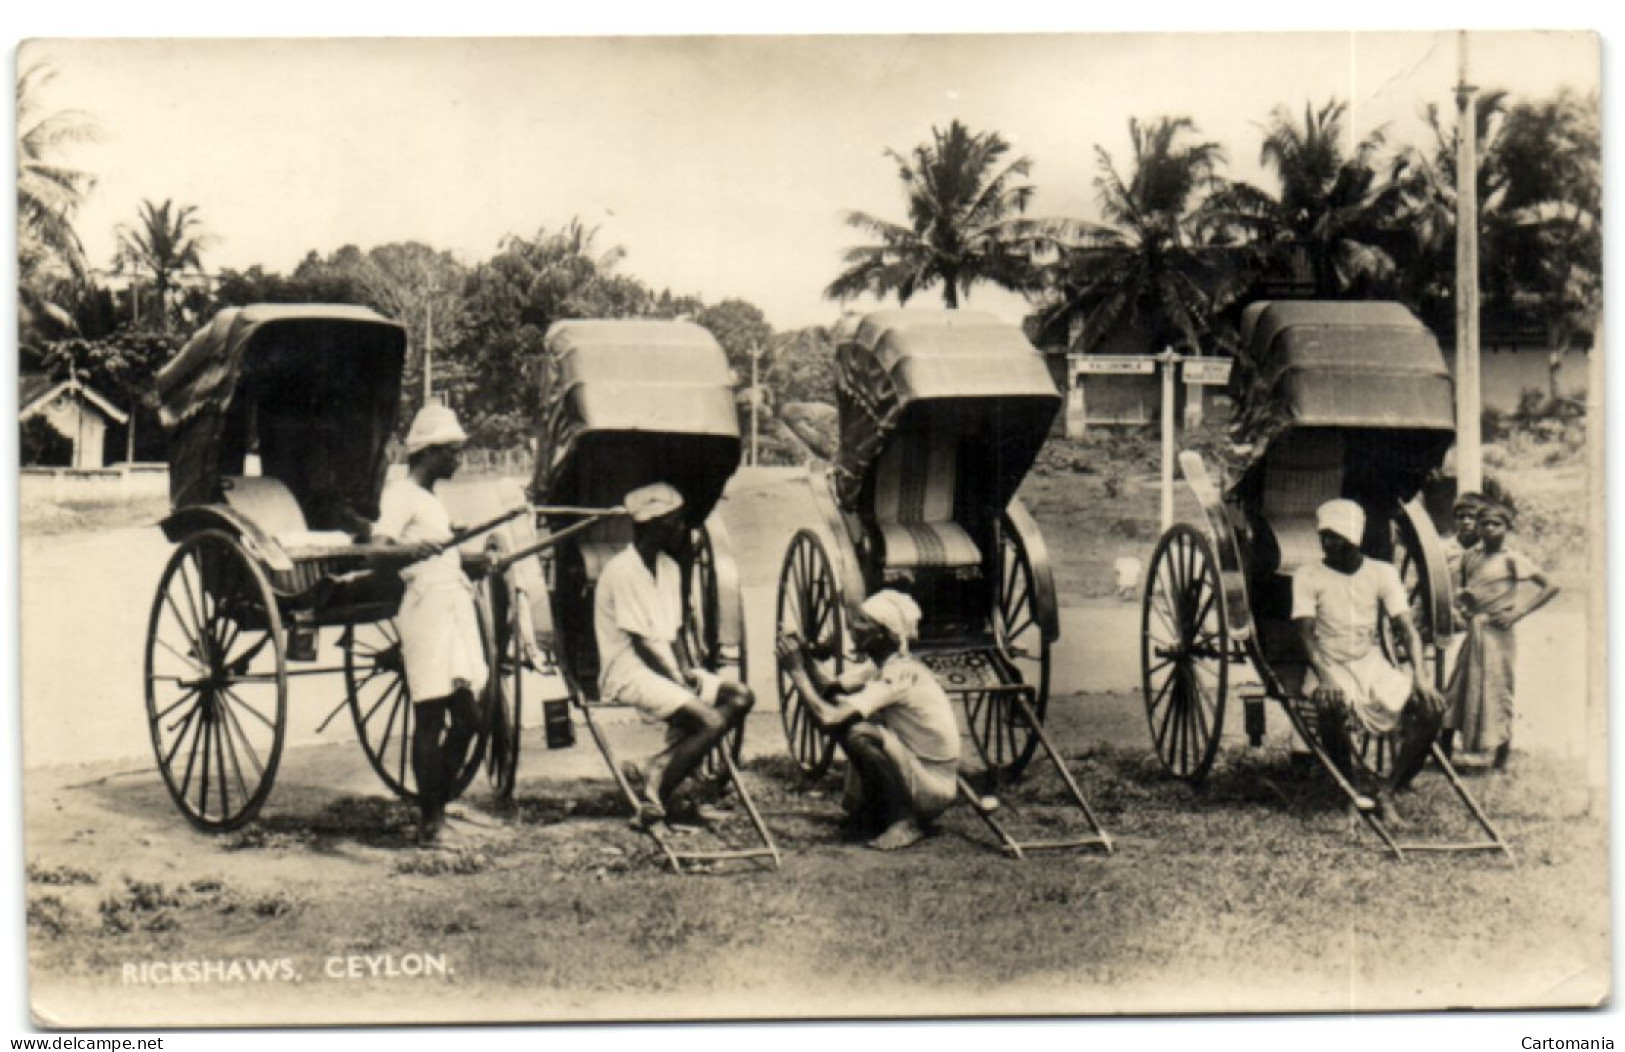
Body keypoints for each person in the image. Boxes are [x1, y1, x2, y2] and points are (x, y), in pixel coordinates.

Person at [595, 483, 754, 827]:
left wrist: (687, 670)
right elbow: (643, 645)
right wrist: (678, 680)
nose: (682, 528)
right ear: (652, 524)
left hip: (663, 668)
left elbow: (676, 630)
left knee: (740, 697)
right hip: (629, 672)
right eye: (674, 521)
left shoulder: (668, 567)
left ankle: (658, 764)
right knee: (710, 721)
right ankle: (657, 793)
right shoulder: (622, 571)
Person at [368, 404, 487, 846]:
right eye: (453, 452)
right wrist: (408, 553)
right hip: (426, 609)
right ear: (431, 452)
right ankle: (430, 820)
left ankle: (435, 802)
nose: (458, 460)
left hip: (452, 605)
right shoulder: (402, 496)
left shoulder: (430, 499)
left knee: (470, 717)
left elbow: (438, 546)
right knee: (430, 716)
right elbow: (377, 550)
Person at [1294, 499, 1445, 825]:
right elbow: (1306, 636)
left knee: (1431, 708)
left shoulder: (1381, 572)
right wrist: (1325, 678)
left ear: (1354, 538)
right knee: (1331, 703)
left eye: (1336, 537)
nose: (1328, 544)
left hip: (1369, 660)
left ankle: (1388, 789)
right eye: (1324, 537)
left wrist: (1420, 676)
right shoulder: (1307, 575)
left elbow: (1406, 628)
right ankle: (1349, 788)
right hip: (1328, 660)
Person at [776, 590, 960, 851]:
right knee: (849, 722)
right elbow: (830, 688)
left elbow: (828, 719)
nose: (853, 627)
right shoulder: (881, 665)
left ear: (884, 633)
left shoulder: (900, 674)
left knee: (857, 733)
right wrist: (805, 655)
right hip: (918, 772)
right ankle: (870, 814)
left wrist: (796, 672)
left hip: (931, 788)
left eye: (863, 622)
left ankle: (903, 821)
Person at [1444, 500, 1559, 769]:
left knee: (1499, 688)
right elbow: (1462, 590)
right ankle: (1445, 753)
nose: (1489, 528)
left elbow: (1551, 586)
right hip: (1476, 630)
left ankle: (1500, 759)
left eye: (1496, 524)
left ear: (1507, 528)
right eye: (1484, 523)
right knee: (1459, 686)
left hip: (1499, 634)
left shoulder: (1512, 558)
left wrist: (1517, 613)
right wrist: (1463, 604)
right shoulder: (1470, 556)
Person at [1436, 491, 1483, 758]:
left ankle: (1479, 742)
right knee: (1448, 680)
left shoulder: (1487, 551)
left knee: (1472, 680)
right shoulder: (1445, 550)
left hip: (1476, 623)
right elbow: (1432, 588)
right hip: (1448, 619)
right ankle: (1443, 741)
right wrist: (1449, 611)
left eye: (1472, 517)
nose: (1466, 522)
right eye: (1461, 516)